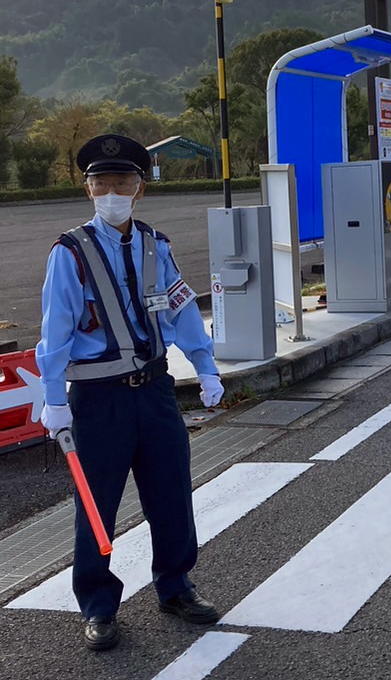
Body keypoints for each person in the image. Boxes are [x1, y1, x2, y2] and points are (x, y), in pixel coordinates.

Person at [36, 134, 225, 651]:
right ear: (88, 190)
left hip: (155, 390)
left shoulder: (155, 245)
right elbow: (54, 332)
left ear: (140, 188)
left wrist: (205, 366)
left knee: (170, 492)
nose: (112, 191)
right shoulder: (69, 252)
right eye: (102, 183)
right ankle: (98, 606)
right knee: (96, 505)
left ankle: (176, 586)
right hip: (98, 400)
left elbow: (181, 308)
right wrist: (53, 398)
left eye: (122, 182)